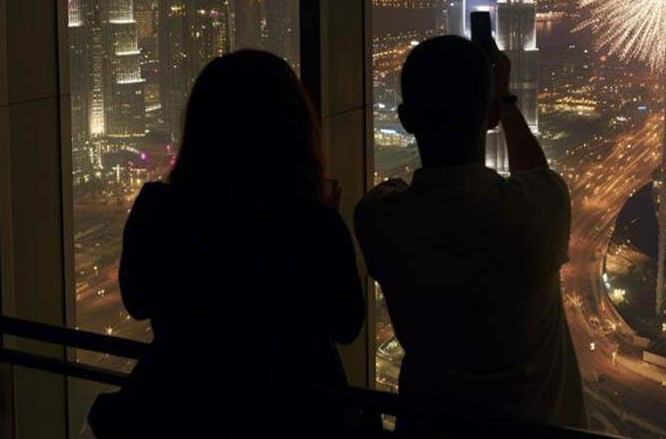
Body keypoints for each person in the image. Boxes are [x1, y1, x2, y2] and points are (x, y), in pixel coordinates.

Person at [89, 50, 366, 437]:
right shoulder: (308, 222)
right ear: (294, 131)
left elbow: (138, 301)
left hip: (182, 409)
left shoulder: (160, 209)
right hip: (292, 413)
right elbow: (346, 323)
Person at [355, 36, 585, 432]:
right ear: (492, 115)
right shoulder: (537, 210)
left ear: (407, 119)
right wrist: (508, 100)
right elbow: (537, 175)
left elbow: (394, 193)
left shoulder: (380, 218)